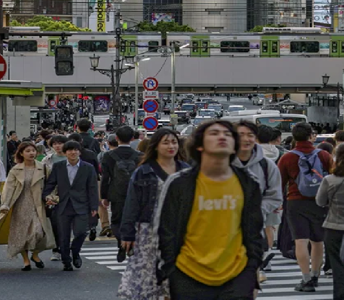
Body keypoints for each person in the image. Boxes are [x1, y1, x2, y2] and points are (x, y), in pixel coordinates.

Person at [154, 120, 264, 299]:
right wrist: (169, 273)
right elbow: (164, 230)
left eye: (228, 135)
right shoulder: (180, 183)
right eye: (214, 133)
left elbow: (254, 231)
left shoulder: (248, 182)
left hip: (237, 274)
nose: (222, 137)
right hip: (188, 273)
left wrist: (252, 271)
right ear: (199, 146)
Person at [118, 128, 189, 300]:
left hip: (180, 231)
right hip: (149, 231)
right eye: (166, 142)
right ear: (156, 146)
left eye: (174, 142)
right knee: (147, 275)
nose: (171, 146)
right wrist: (127, 233)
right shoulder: (144, 171)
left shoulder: (186, 171)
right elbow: (132, 204)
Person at [277, 122, 332, 292]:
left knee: (300, 241)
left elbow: (280, 182)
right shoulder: (323, 155)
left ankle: (306, 279)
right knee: (318, 241)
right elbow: (334, 176)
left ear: (294, 137)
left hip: (295, 202)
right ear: (311, 136)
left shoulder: (287, 157)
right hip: (319, 202)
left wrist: (279, 202)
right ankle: (316, 276)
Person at [232, 121, 282, 278]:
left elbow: (275, 195)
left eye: (250, 135)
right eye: (241, 135)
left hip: (253, 229)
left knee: (249, 280)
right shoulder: (218, 163)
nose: (246, 139)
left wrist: (257, 209)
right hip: (222, 233)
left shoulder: (266, 165)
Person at [43, 139, 99, 271]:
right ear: (65, 152)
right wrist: (46, 197)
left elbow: (92, 188)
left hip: (82, 204)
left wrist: (94, 206)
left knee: (81, 232)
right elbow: (50, 183)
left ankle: (75, 251)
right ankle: (66, 260)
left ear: (79, 152)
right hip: (63, 204)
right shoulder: (59, 166)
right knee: (63, 235)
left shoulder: (88, 168)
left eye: (75, 150)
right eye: (70, 150)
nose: (73, 152)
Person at [315, 143, 344, 300]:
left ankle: (341, 296)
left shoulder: (330, 180)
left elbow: (320, 202)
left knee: (338, 269)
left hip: (334, 227)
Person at [0, 142, 54, 270]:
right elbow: (9, 188)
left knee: (38, 232)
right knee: (21, 234)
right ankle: (26, 261)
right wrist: (5, 204)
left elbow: (51, 186)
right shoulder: (15, 170)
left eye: (33, 150)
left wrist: (51, 198)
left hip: (38, 204)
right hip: (20, 204)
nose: (31, 153)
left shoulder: (43, 168)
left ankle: (35, 254)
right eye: (28, 151)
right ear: (21, 154)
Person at [100, 126, 142, 262]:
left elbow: (105, 177)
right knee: (133, 219)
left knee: (117, 220)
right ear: (132, 138)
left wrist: (104, 196)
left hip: (116, 192)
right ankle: (129, 243)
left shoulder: (108, 156)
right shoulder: (139, 156)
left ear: (116, 138)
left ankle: (120, 243)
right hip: (135, 193)